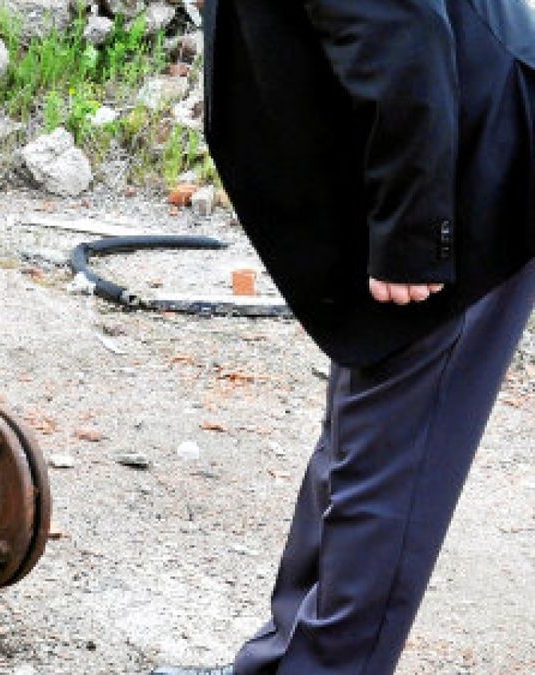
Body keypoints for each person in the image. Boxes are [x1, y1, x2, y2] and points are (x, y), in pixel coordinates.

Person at [153, 1, 535, 673]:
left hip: (470, 165)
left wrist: (415, 232)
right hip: (436, 144)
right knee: (361, 436)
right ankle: (289, 658)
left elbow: (400, 31)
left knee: (392, 464)